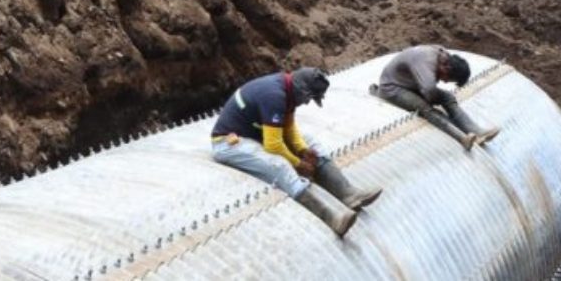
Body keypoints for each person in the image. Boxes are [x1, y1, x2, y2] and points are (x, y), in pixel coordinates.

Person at [211, 67, 382, 236]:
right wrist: (298, 163)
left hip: (256, 136)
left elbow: (289, 129)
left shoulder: (287, 91)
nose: (307, 102)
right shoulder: (274, 96)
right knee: (280, 166)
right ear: (301, 90)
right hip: (229, 143)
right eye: (308, 98)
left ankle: (347, 193)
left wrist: (303, 150)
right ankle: (331, 218)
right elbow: (273, 145)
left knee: (312, 143)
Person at [372, 46, 500, 150]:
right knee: (425, 108)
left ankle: (476, 131)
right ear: (446, 68)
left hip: (410, 83)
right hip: (393, 88)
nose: (444, 81)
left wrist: (442, 98)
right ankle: (462, 138)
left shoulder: (443, 56)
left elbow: (431, 91)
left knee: (448, 97)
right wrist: (432, 101)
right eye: (446, 78)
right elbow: (429, 93)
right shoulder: (426, 64)